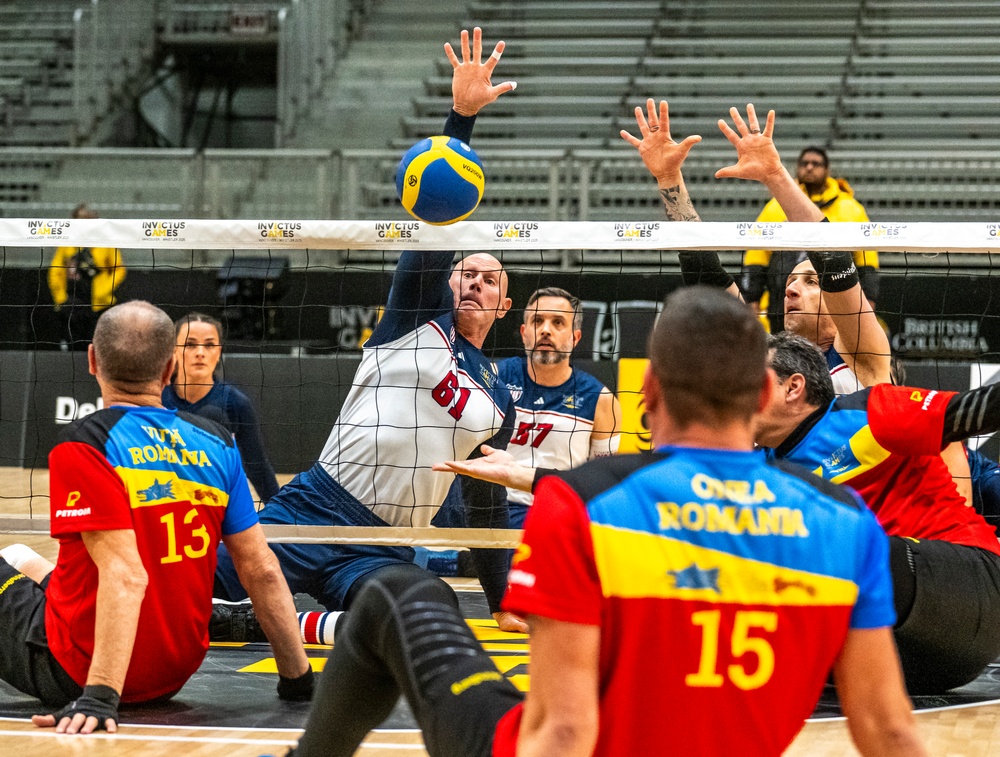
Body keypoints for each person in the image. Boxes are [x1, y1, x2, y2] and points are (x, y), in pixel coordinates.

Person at [290, 286, 925, 757]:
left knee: (400, 593)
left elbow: (565, 732)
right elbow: (890, 731)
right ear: (762, 395)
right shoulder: (848, 523)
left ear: (647, 391)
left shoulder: (585, 505)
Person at [210, 27, 527, 635]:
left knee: (423, 610)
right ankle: (271, 610)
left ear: (505, 304)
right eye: (465, 272)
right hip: (314, 509)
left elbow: (485, 500)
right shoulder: (415, 320)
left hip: (383, 544)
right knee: (192, 593)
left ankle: (295, 623)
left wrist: (501, 595)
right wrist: (460, 119)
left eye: (489, 279)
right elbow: (435, 222)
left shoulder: (500, 402)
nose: (473, 282)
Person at [623, 99, 973, 502]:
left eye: (809, 282)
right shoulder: (766, 354)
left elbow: (832, 257)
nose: (790, 290)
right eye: (790, 281)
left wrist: (775, 175)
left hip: (886, 515)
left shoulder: (863, 354)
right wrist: (669, 180)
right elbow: (705, 274)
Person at [0, 301, 311, 736]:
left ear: (92, 360)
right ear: (169, 369)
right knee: (19, 555)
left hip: (82, 671)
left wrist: (100, 695)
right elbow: (261, 569)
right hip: (175, 670)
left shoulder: (84, 442)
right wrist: (298, 680)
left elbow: (126, 575)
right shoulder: (217, 442)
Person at [757, 331, 1000, 694]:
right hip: (912, 654)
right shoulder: (760, 469)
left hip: (969, 589)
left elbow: (975, 410)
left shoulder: (865, 412)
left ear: (793, 387)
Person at [435, 287, 620, 529]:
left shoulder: (601, 400)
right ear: (524, 333)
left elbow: (600, 482)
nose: (545, 329)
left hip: (553, 513)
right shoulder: (494, 378)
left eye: (557, 322)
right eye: (537, 321)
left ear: (575, 337)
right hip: (490, 508)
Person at [742, 146, 879, 333]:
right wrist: (752, 299)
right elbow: (756, 257)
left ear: (827, 170)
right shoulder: (776, 206)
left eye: (816, 164)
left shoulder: (851, 209)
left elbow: (867, 261)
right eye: (804, 163)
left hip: (835, 305)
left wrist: (869, 297)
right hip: (780, 306)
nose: (809, 167)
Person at [162, 312, 280, 503]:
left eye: (209, 345)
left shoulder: (235, 403)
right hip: (164, 498)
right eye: (190, 344)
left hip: (216, 501)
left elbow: (257, 467)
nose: (200, 352)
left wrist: (281, 512)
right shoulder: (156, 398)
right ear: (174, 350)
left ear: (219, 352)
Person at [48, 203, 126, 349]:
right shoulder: (66, 242)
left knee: (100, 347)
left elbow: (118, 270)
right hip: (72, 303)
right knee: (72, 348)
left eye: (88, 218)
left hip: (99, 306)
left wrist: (103, 290)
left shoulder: (106, 243)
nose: (84, 222)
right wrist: (60, 298)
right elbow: (56, 271)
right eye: (80, 219)